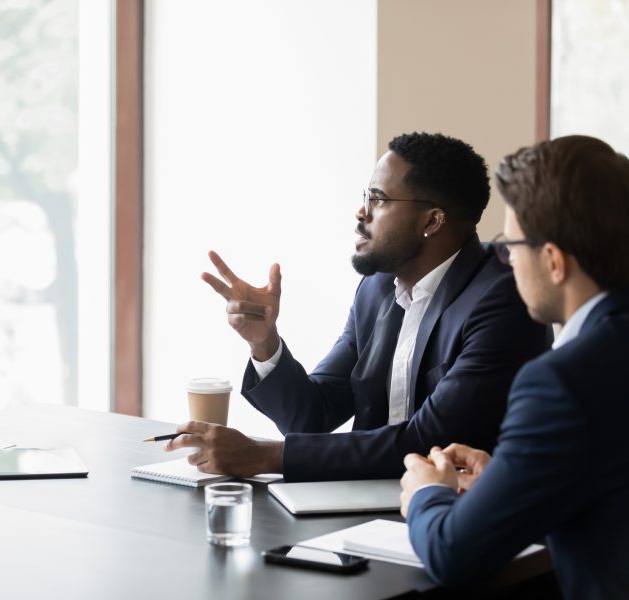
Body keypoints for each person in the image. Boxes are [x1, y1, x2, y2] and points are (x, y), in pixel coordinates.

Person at [166, 132, 550, 480]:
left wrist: (263, 456)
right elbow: (312, 418)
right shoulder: (377, 289)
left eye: (378, 199)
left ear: (432, 220)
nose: (361, 212)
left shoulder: (503, 298)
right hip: (366, 501)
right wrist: (264, 342)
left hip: (458, 511)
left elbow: (427, 440)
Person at [400, 135, 629, 599]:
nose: (505, 261)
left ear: (552, 261)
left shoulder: (561, 382)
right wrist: (509, 474)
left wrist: (427, 493)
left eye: (511, 246)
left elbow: (453, 554)